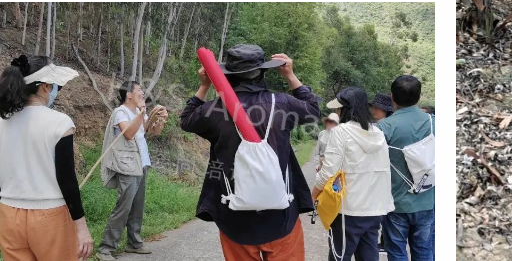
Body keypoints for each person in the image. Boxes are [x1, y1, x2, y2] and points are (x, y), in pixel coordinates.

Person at [180, 45, 321, 261]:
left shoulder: (214, 110)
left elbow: (186, 120)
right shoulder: (281, 104)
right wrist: (291, 76)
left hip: (234, 219)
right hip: (282, 217)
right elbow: (313, 110)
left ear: (227, 75)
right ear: (263, 72)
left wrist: (205, 85)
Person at [0, 55, 93, 261]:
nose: (54, 91)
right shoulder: (59, 122)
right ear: (44, 87)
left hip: (8, 214)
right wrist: (81, 228)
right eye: (53, 86)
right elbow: (67, 179)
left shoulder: (3, 121)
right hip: (49, 216)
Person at [314, 87, 393, 261]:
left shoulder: (340, 132)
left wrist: (313, 195)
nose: (336, 111)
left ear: (344, 109)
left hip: (348, 210)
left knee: (339, 256)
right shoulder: (377, 133)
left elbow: (328, 171)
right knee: (368, 256)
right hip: (375, 208)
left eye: (338, 108)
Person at [96, 81, 168, 261]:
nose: (142, 93)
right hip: (127, 165)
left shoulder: (136, 112)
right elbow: (128, 134)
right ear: (129, 94)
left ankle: (134, 243)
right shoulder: (120, 112)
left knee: (137, 207)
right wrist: (143, 113)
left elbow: (152, 132)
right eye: (139, 90)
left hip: (141, 163)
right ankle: (105, 249)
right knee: (124, 207)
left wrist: (160, 119)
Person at [377, 76, 435, 261]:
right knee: (425, 252)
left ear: (392, 97)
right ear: (419, 97)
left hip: (396, 203)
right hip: (428, 200)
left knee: (396, 252)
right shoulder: (434, 122)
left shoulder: (385, 126)